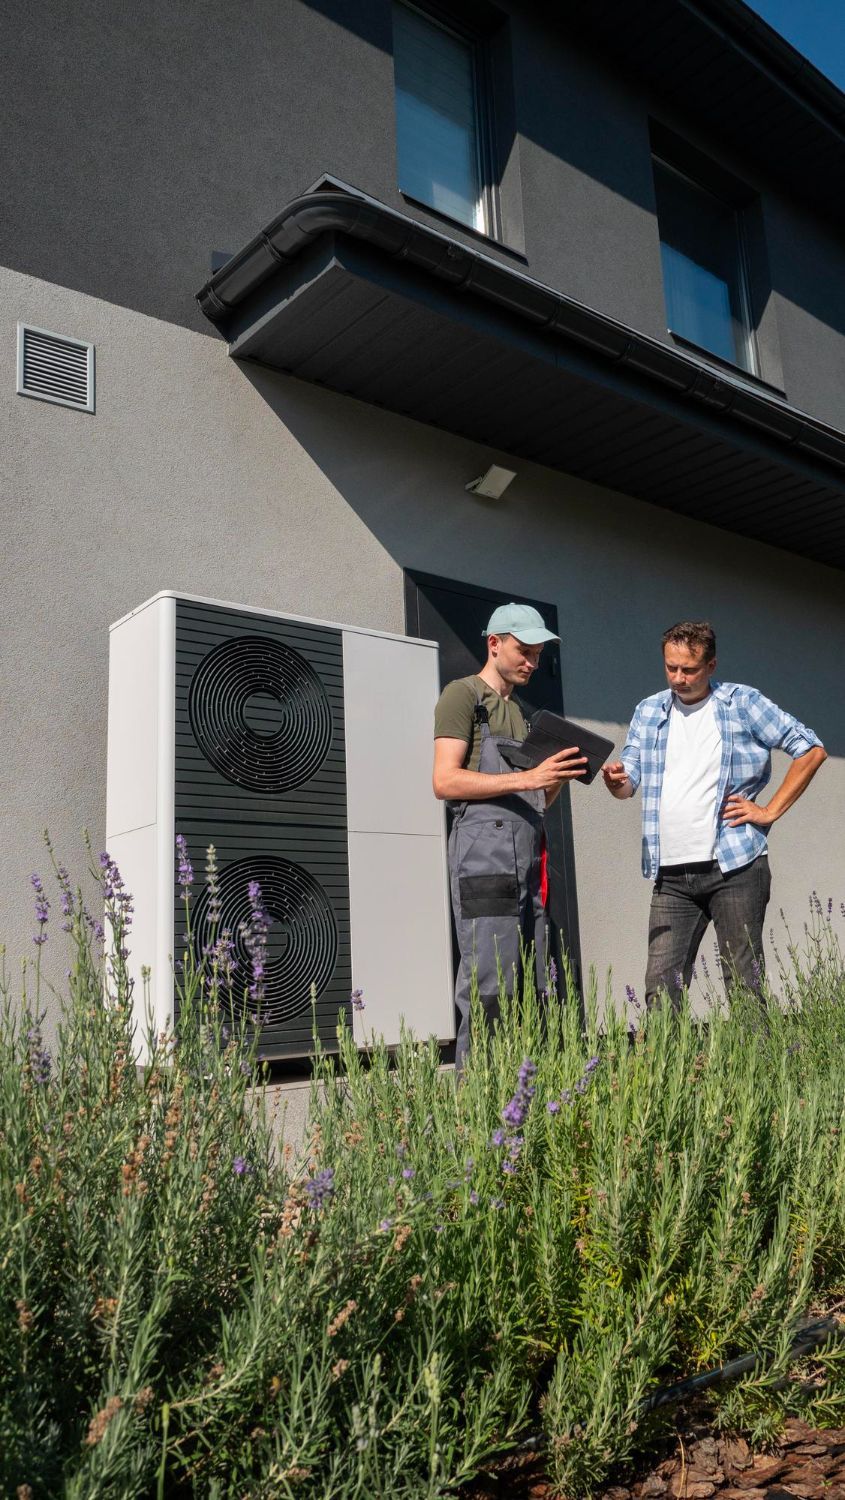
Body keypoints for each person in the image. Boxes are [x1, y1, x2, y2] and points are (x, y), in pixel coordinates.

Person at [602, 620, 826, 1007]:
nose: (678, 678)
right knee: (660, 988)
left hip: (735, 866)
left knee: (743, 985)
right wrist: (615, 780)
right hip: (670, 873)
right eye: (671, 667)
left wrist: (769, 810)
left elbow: (810, 750)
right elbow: (628, 784)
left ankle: (755, 1051)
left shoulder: (743, 703)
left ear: (711, 666)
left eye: (688, 669)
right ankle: (667, 1052)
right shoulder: (649, 710)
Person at [433, 602, 586, 1067]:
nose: (533, 663)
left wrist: (557, 777)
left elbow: (536, 801)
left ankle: (522, 1087)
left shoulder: (524, 715)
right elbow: (445, 780)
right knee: (488, 982)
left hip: (529, 857)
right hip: (484, 858)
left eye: (538, 655)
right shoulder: (462, 696)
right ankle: (476, 1093)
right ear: (494, 643)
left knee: (533, 983)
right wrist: (528, 777)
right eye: (525, 651)